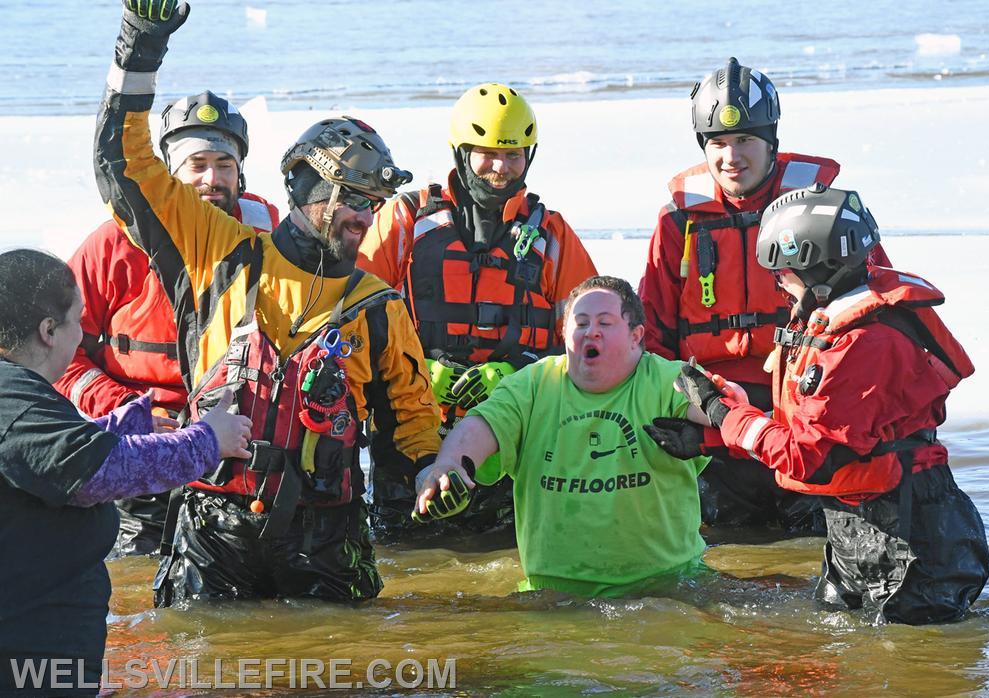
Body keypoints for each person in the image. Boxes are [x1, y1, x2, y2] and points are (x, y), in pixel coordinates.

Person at [97, 0, 440, 606]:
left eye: (372, 202)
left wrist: (434, 475)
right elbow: (124, 164)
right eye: (351, 197)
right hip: (212, 526)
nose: (365, 215)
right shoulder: (215, 253)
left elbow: (410, 421)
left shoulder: (378, 306)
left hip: (326, 536)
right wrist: (141, 43)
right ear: (307, 187)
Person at [663, 184, 989, 624]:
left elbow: (811, 458)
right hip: (857, 536)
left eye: (784, 271)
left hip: (917, 544)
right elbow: (808, 434)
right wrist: (709, 440)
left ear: (821, 268)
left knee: (912, 665)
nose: (778, 283)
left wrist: (723, 414)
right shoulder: (835, 331)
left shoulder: (867, 343)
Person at [638, 57, 891, 534]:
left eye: (745, 140)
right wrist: (680, 413)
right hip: (711, 415)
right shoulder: (679, 221)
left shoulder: (827, 209)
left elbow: (872, 311)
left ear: (771, 140)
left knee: (820, 548)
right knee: (733, 560)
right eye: (717, 142)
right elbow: (651, 330)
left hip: (807, 410)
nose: (731, 156)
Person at [0, 249, 250, 693]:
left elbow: (39, 455)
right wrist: (209, 441)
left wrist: (125, 423)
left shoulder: (15, 397)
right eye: (78, 321)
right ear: (48, 331)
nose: (82, 337)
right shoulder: (12, 402)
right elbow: (98, 471)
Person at [358, 82, 597, 540]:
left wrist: (516, 376)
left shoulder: (551, 234)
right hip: (411, 427)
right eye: (487, 153)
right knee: (406, 557)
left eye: (513, 154)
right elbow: (351, 322)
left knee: (506, 557)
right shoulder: (405, 219)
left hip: (511, 432)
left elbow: (590, 340)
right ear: (460, 151)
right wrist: (418, 372)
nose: (500, 168)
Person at [56, 89, 280, 557]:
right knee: (138, 583)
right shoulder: (112, 245)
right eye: (196, 165)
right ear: (167, 173)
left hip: (236, 446)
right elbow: (58, 353)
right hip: (145, 448)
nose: (212, 179)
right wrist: (130, 410)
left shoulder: (268, 233)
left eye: (224, 164)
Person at [413, 276, 709, 597]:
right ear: (565, 334)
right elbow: (480, 425)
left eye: (604, 323)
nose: (591, 331)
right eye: (580, 323)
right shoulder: (533, 385)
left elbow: (721, 408)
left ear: (636, 336)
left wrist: (718, 410)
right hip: (552, 595)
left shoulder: (669, 378)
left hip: (667, 588)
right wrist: (449, 465)